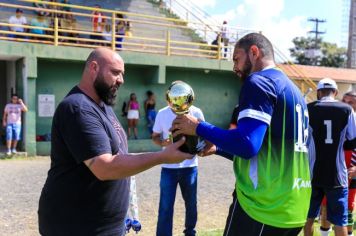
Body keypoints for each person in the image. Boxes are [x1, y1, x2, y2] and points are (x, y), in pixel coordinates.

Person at [37, 47, 193, 236]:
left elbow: (118, 153)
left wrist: (171, 141)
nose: (121, 80)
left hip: (105, 226)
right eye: (115, 73)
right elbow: (105, 167)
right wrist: (162, 157)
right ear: (93, 68)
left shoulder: (102, 106)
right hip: (76, 226)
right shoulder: (77, 108)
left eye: (122, 74)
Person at [172, 33, 311, 236]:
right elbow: (265, 148)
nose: (235, 67)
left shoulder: (259, 81)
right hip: (295, 206)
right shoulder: (294, 91)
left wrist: (198, 127)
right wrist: (218, 148)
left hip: (264, 205)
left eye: (236, 59)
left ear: (254, 52)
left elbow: (247, 145)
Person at [303, 79, 356, 236]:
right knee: (340, 221)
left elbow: (302, 140)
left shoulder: (308, 109)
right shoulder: (347, 110)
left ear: (318, 93)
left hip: (312, 173)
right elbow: (352, 142)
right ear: (336, 92)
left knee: (308, 217)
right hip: (337, 175)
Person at [152, 82, 204, 236]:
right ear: (170, 98)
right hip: (168, 168)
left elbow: (205, 135)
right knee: (166, 206)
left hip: (190, 166)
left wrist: (201, 146)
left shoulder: (196, 112)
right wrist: (163, 142)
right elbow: (154, 136)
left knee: (191, 204)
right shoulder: (162, 113)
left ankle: (190, 232)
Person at [319, 90, 356, 236]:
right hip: (332, 169)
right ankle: (324, 234)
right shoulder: (335, 120)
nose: (346, 105)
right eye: (344, 101)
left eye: (351, 103)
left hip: (351, 172)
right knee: (325, 206)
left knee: (347, 208)